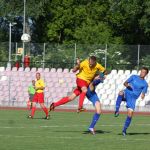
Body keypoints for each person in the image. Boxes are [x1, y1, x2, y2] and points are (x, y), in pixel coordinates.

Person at [114, 67, 149, 136]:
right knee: (120, 92)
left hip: (132, 99)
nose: (142, 73)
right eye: (141, 71)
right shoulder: (133, 77)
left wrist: (143, 95)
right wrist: (127, 85)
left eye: (144, 72)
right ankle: (117, 110)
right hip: (126, 93)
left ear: (146, 74)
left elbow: (143, 93)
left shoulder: (145, 84)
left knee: (130, 115)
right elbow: (125, 83)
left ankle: (124, 130)